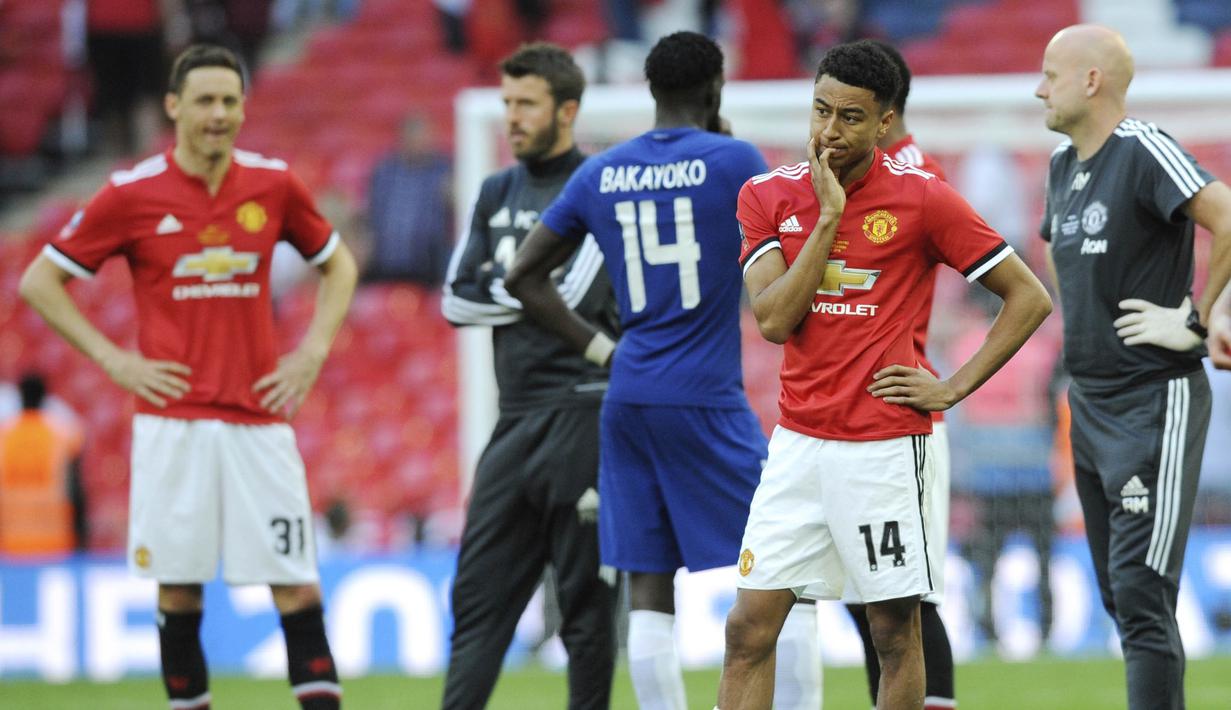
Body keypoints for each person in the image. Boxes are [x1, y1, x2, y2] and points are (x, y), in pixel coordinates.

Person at [18, 44, 356, 710]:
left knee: (296, 585)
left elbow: (338, 265)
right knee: (178, 590)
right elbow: (40, 281)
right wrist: (115, 359)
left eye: (230, 101)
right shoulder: (131, 193)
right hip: (174, 425)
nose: (219, 114)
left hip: (259, 421)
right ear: (173, 107)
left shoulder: (273, 185)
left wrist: (312, 351)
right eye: (204, 100)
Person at [718, 39, 1052, 710]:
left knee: (893, 630)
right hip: (799, 445)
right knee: (748, 627)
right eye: (820, 111)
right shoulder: (765, 196)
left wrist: (952, 386)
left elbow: (1029, 296)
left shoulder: (924, 200)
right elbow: (775, 321)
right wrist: (829, 218)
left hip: (886, 448)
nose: (828, 132)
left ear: (884, 123)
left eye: (848, 118)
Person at [506, 31, 823, 710]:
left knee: (648, 588)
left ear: (651, 91)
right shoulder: (733, 158)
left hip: (628, 397)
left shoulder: (601, 171)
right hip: (704, 397)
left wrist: (602, 350)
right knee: (789, 566)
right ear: (714, 90)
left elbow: (523, 276)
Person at [1035, 24, 1231, 710]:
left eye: (1049, 75)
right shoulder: (1060, 168)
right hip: (1086, 405)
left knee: (1142, 593)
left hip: (1153, 399)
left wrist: (1198, 319)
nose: (1037, 89)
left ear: (1090, 80)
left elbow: (1228, 212)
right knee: (1120, 594)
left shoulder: (1143, 149)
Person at [439, 42, 619, 710]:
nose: (511, 117)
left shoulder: (598, 185)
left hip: (584, 414)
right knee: (476, 600)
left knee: (585, 611)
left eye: (525, 104)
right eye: (506, 103)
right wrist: (528, 285)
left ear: (566, 110)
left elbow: (570, 292)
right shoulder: (495, 190)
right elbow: (455, 301)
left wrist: (509, 281)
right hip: (513, 419)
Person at [836, 38, 955, 710]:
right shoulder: (870, 174)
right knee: (864, 599)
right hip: (843, 419)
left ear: (883, 111)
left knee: (903, 600)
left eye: (850, 112)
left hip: (896, 417)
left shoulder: (914, 178)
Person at [0, 373, 86, 556]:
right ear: (45, 398)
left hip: (11, 542)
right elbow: (76, 491)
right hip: (55, 541)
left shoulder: (4, 437)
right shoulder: (64, 436)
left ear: (20, 397)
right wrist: (81, 541)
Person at [365, 113, 453, 285]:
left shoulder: (445, 170)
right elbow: (371, 213)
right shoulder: (385, 171)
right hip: (384, 266)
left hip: (429, 268)